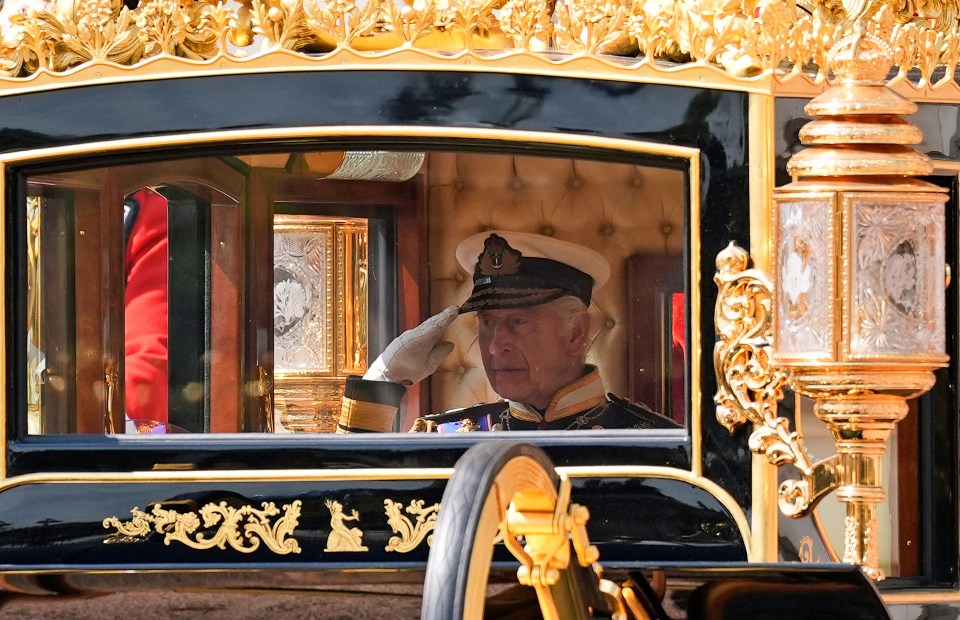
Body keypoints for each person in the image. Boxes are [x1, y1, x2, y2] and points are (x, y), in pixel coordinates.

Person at [336, 230, 679, 433]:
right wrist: (380, 383)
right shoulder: (446, 435)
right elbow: (341, 513)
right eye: (487, 323)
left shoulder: (655, 441)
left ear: (575, 331)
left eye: (519, 322)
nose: (496, 346)